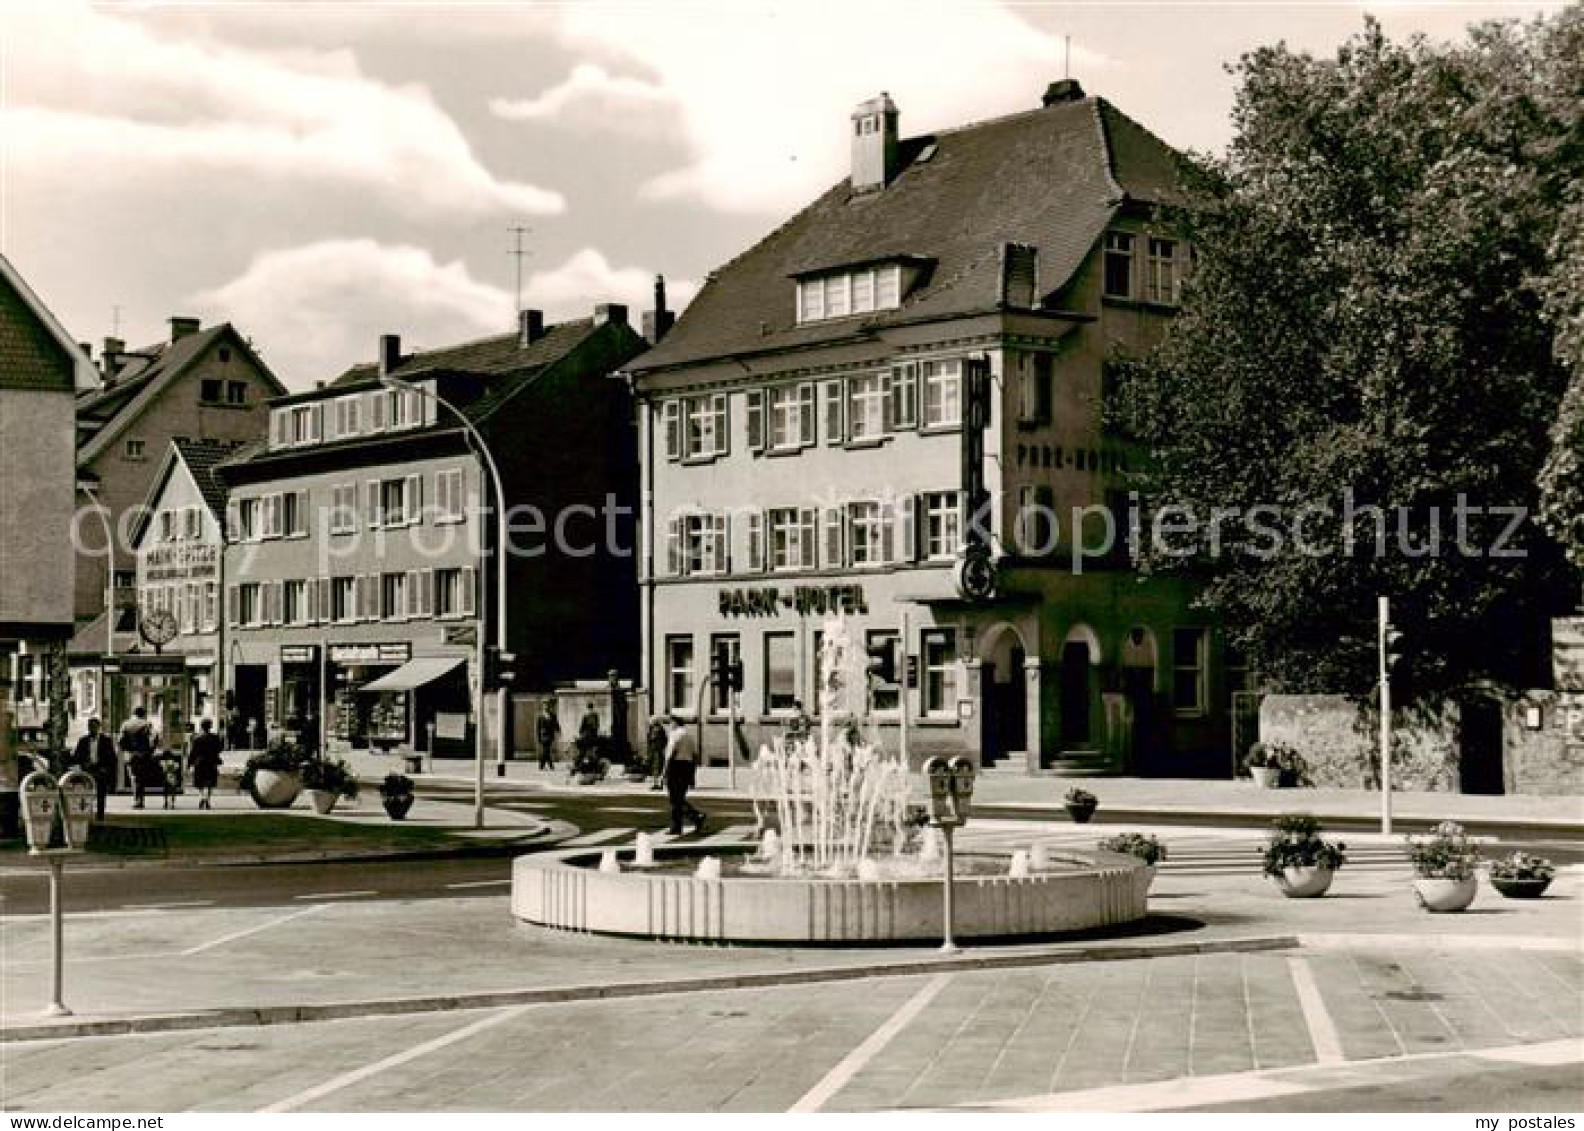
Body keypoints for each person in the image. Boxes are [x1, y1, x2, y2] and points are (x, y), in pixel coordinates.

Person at [662, 715, 705, 836]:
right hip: (687, 767)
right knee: (679, 797)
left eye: (670, 723)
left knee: (674, 799)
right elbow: (695, 756)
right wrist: (692, 775)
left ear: (675, 723)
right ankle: (696, 817)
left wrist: (663, 773)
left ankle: (677, 827)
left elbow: (670, 755)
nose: (669, 726)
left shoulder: (674, 735)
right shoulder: (689, 736)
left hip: (675, 767)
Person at [72, 718, 118, 820]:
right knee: (86, 792)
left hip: (100, 769)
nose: (92, 729)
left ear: (98, 727)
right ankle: (86, 812)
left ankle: (100, 814)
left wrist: (106, 769)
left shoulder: (106, 740)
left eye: (94, 726)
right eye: (90, 726)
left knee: (101, 792)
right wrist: (83, 764)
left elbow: (112, 757)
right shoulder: (83, 740)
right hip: (87, 770)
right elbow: (76, 756)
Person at [118, 706, 156, 810]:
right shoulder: (147, 724)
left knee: (134, 777)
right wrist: (149, 751)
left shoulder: (126, 724)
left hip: (131, 755)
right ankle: (140, 799)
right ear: (143, 713)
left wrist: (127, 750)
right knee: (141, 777)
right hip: (143, 755)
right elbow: (154, 738)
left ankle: (137, 799)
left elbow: (120, 740)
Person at [187, 719, 224, 810]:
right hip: (211, 763)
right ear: (210, 727)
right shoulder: (215, 738)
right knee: (209, 783)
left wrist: (189, 763)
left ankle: (203, 798)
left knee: (200, 783)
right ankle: (207, 799)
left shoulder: (198, 739)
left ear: (201, 727)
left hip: (200, 763)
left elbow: (193, 752)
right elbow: (219, 749)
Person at [645, 717, 668, 791]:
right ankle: (657, 783)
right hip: (656, 751)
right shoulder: (655, 729)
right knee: (656, 768)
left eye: (651, 722)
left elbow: (661, 740)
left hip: (657, 751)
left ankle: (657, 784)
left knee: (657, 768)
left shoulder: (657, 730)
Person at [536, 702, 561, 771]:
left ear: (549, 707)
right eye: (544, 706)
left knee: (546, 751)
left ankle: (542, 766)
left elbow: (556, 724)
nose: (546, 707)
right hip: (543, 736)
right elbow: (538, 728)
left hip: (550, 736)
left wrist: (559, 731)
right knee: (546, 751)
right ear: (543, 707)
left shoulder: (553, 716)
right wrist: (538, 738)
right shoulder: (540, 717)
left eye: (547, 706)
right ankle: (549, 766)